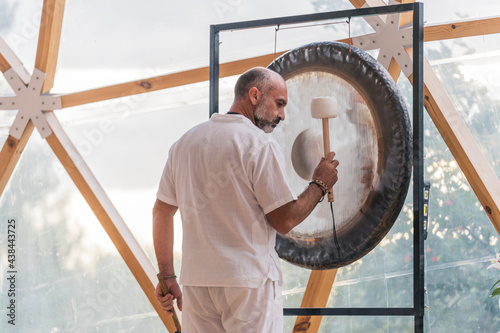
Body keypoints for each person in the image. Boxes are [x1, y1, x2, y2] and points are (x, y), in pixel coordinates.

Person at [153, 67, 339, 332]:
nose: (282, 115)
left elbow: (161, 212)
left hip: (197, 285)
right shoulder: (258, 145)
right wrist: (320, 184)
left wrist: (167, 275)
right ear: (254, 95)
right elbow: (285, 219)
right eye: (279, 104)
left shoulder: (184, 144)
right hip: (248, 284)